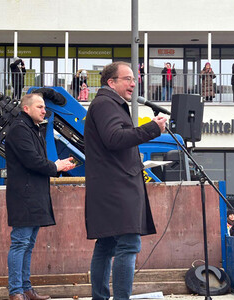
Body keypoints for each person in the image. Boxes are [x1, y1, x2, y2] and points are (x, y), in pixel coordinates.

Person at [84, 61, 168, 300]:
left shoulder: (107, 104)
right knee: (128, 244)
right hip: (116, 189)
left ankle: (101, 297)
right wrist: (152, 128)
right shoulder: (106, 104)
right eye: (128, 79)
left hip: (111, 187)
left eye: (134, 79)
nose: (133, 83)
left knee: (107, 244)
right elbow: (115, 138)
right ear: (111, 82)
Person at [4, 93, 76, 300]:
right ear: (26, 109)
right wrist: (56, 166)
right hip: (24, 196)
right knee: (20, 243)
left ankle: (26, 289)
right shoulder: (20, 129)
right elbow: (32, 161)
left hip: (33, 195)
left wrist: (58, 165)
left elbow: (36, 161)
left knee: (27, 244)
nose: (44, 110)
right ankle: (16, 291)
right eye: (40, 107)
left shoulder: (32, 128)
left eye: (44, 107)